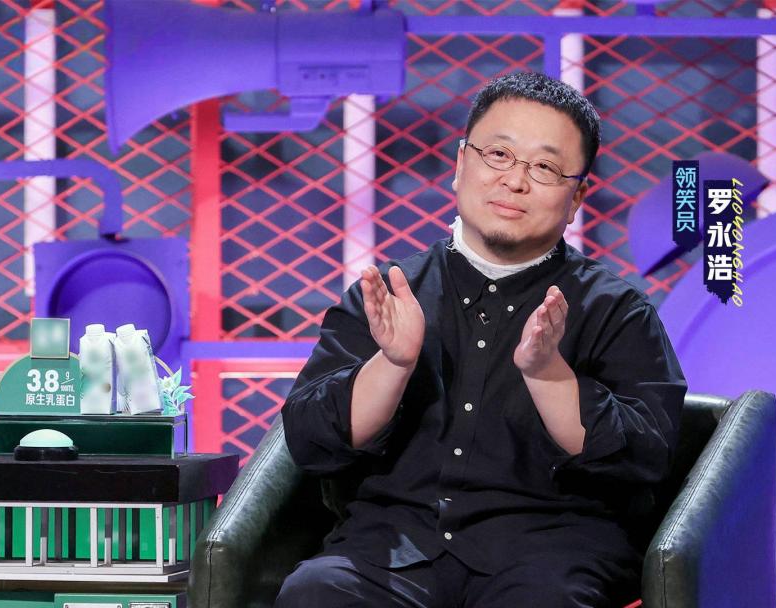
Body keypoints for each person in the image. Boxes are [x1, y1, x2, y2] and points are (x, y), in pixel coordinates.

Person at [275, 71, 687, 608]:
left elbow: (647, 457)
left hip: (549, 556)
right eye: (498, 154)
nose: (515, 181)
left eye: (544, 167)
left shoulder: (616, 310)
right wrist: (393, 364)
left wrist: (549, 376)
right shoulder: (390, 293)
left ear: (577, 196)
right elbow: (309, 438)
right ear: (460, 164)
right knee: (316, 593)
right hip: (389, 549)